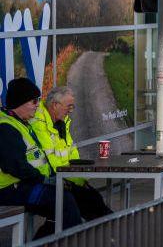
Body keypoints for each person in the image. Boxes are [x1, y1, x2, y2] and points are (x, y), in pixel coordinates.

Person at [0, 78, 82, 238]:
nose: (38, 104)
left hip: (24, 185)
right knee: (63, 201)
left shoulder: (21, 123)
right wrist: (45, 180)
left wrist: (52, 178)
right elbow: (16, 166)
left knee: (70, 199)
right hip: (9, 189)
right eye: (34, 101)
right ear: (20, 102)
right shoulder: (6, 127)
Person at [31, 86, 112, 221]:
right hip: (50, 182)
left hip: (66, 179)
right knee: (84, 206)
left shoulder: (61, 123)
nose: (70, 111)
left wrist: (81, 180)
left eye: (72, 107)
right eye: (68, 106)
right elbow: (52, 162)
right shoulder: (39, 125)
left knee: (94, 198)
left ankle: (111, 230)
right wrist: (73, 183)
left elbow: (73, 157)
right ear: (55, 105)